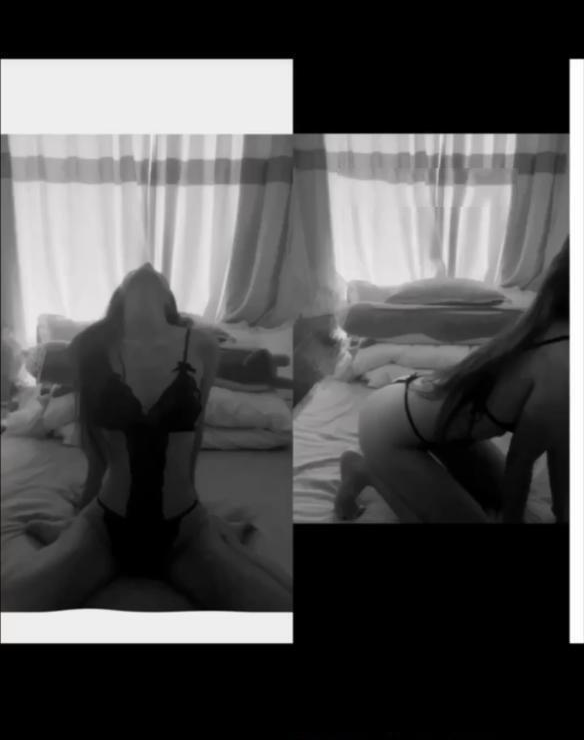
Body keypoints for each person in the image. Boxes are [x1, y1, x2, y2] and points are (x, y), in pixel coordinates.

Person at [2, 263, 292, 611]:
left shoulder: (201, 346)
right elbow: (94, 446)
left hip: (185, 529)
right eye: (132, 273)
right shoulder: (88, 345)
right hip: (106, 527)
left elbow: (194, 437)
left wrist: (203, 520)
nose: (146, 267)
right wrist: (79, 521)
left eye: (157, 275)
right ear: (120, 294)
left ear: (169, 299)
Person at [335, 238, 570, 524]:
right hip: (388, 427)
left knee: (502, 499)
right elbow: (520, 464)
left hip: (431, 417)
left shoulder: (552, 325)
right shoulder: (562, 361)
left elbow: (561, 446)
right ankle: (367, 470)